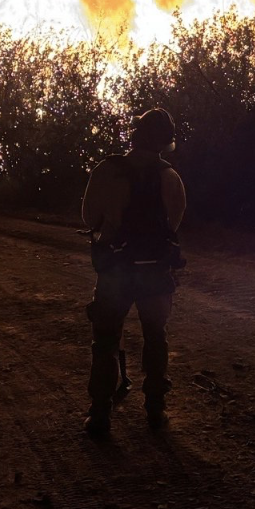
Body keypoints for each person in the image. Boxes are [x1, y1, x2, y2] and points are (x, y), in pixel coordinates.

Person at [81, 108, 186, 437]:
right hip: (155, 273)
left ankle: (100, 414)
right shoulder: (171, 177)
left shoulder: (106, 170)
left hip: (115, 271)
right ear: (166, 141)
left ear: (135, 134)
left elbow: (88, 219)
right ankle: (156, 410)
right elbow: (174, 225)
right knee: (156, 338)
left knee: (105, 342)